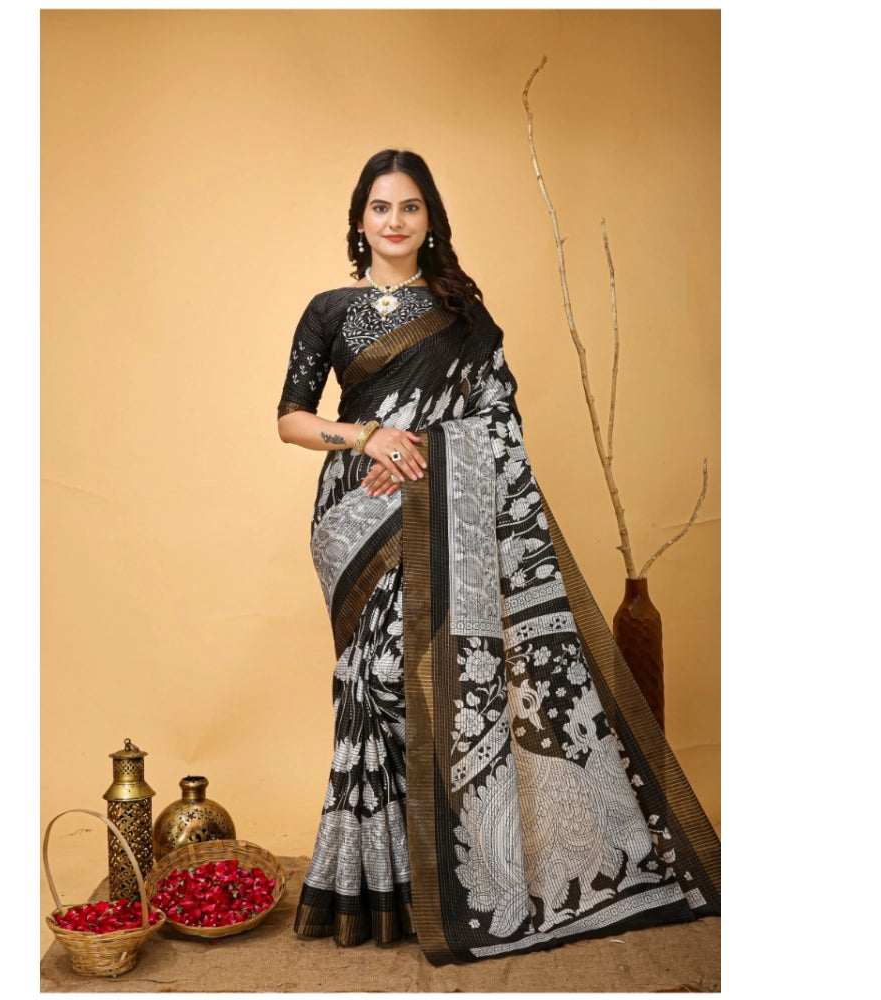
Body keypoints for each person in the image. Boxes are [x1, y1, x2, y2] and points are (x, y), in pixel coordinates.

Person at [276, 149, 720, 966]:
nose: (396, 221)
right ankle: (379, 890)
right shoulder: (330, 309)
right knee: (370, 685)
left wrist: (428, 449)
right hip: (357, 513)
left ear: (431, 219)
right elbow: (292, 419)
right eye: (381, 207)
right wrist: (368, 436)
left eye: (411, 206)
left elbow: (499, 419)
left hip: (447, 504)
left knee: (423, 683)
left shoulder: (462, 314)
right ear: (360, 220)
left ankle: (460, 878)